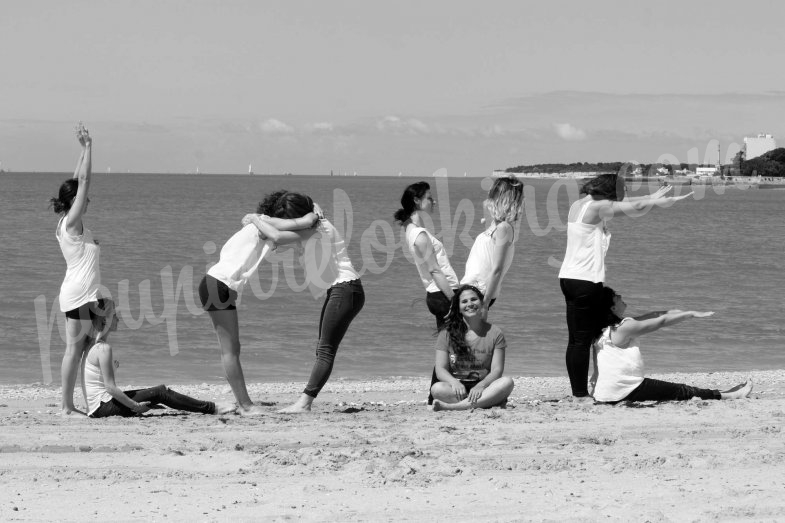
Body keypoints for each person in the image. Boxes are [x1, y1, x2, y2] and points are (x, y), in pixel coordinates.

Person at [558, 173, 693, 399]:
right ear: (611, 191)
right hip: (586, 282)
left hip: (569, 278)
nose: (623, 195)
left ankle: (584, 389)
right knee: (582, 340)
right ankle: (580, 394)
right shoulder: (598, 207)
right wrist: (662, 202)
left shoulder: (580, 205)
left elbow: (625, 204)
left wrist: (651, 195)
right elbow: (635, 206)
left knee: (577, 339)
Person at [246, 191, 365, 413]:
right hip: (343, 289)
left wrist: (256, 219)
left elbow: (279, 235)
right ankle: (306, 401)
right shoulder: (314, 221)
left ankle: (304, 403)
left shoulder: (316, 229)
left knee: (326, 349)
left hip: (345, 288)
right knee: (323, 349)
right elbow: (287, 223)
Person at [200, 203, 319, 416]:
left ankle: (243, 400)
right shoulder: (264, 221)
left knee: (232, 349)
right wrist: (314, 214)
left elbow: (300, 230)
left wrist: (311, 223)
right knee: (230, 351)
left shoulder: (260, 224)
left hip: (217, 284)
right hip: (218, 284)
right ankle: (245, 406)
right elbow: (305, 224)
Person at [589, 287, 752, 403]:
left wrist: (676, 312)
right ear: (612, 307)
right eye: (619, 298)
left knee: (676, 389)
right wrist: (691, 314)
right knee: (681, 390)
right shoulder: (624, 328)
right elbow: (660, 322)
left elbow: (653, 315)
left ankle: (725, 393)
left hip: (605, 394)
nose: (622, 297)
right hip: (626, 390)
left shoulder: (602, 331)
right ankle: (729, 395)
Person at [82, 299, 236, 418]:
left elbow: (100, 383)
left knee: (155, 396)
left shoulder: (93, 345)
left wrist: (112, 368)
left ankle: (206, 407)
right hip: (103, 408)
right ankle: (213, 408)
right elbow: (110, 388)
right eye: (115, 315)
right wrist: (135, 405)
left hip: (97, 408)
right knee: (161, 392)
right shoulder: (103, 348)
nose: (118, 319)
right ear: (104, 320)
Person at [49, 123, 100, 415]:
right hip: (79, 295)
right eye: (82, 197)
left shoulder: (69, 224)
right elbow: (82, 181)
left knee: (82, 350)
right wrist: (90, 147)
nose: (87, 200)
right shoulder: (70, 222)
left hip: (83, 293)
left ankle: (79, 402)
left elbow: (75, 179)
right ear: (74, 201)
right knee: (74, 349)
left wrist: (81, 150)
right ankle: (66, 406)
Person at [395, 182, 460, 405]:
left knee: (450, 345)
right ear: (417, 201)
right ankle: (436, 395)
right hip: (441, 294)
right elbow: (434, 270)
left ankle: (437, 395)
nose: (434, 201)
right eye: (430, 198)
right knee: (452, 347)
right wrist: (454, 298)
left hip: (437, 294)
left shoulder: (411, 229)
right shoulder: (419, 234)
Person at [430, 284, 514, 411]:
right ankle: (484, 403)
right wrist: (454, 382)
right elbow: (440, 369)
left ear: (481, 303)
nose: (469, 304)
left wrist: (481, 386)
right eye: (464, 301)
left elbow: (497, 370)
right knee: (436, 389)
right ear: (458, 308)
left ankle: (454, 407)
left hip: (484, 388)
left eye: (473, 299)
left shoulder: (495, 333)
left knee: (507, 382)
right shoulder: (446, 333)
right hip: (459, 390)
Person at [461, 175, 524, 319]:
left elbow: (497, 269)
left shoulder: (504, 228)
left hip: (480, 293)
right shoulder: (496, 225)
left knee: (468, 338)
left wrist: (485, 303)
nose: (489, 198)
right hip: (471, 290)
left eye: (493, 195)